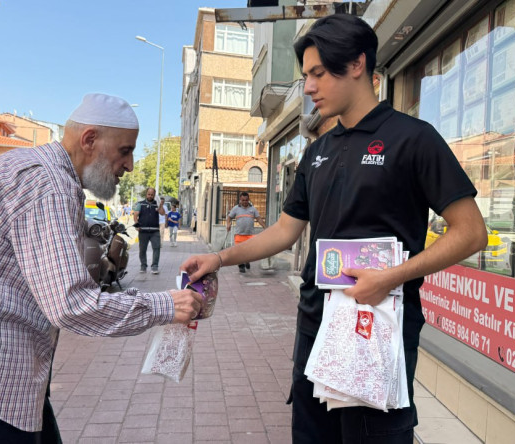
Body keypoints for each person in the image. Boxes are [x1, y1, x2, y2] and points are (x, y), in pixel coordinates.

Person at [181, 14, 487, 444]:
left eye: (318, 74)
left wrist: (391, 276)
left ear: (358, 64)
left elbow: (471, 232)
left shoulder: (413, 139)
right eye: (307, 75)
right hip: (315, 326)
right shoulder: (318, 151)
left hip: (376, 328)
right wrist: (220, 257)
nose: (308, 87)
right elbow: (286, 230)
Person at [0, 93, 203, 444]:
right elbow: (71, 305)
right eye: (124, 151)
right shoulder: (46, 184)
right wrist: (166, 306)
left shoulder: (36, 171)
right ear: (90, 140)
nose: (130, 164)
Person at [226, 191, 266, 273]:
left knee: (249, 251)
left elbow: (259, 219)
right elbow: (229, 217)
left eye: (246, 200)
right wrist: (228, 224)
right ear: (240, 200)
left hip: (250, 235)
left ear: (248, 200)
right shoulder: (236, 208)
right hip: (239, 234)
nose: (244, 202)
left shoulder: (253, 209)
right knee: (239, 251)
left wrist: (265, 227)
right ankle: (241, 266)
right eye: (243, 200)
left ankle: (247, 260)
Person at [133, 187, 165, 274]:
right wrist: (137, 225)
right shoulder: (140, 204)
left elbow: (162, 213)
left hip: (155, 231)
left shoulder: (157, 204)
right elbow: (135, 215)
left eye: (152, 194)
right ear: (146, 194)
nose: (150, 196)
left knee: (156, 248)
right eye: (148, 194)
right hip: (143, 231)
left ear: (154, 195)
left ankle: (155, 267)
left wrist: (161, 204)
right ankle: (143, 266)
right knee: (142, 249)